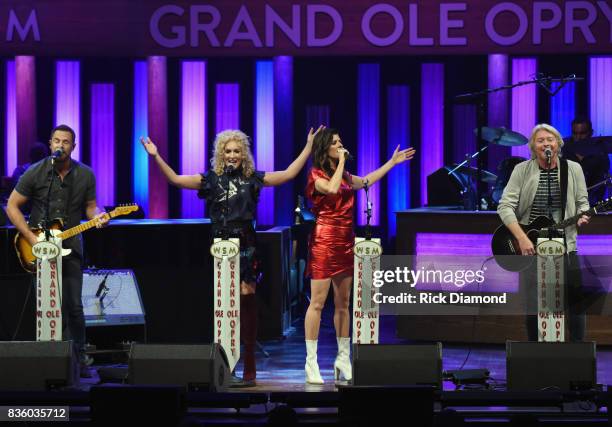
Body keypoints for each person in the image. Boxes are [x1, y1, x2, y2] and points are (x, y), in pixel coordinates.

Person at [141, 127, 321, 386]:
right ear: (221, 154)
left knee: (246, 296)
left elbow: (288, 174)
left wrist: (308, 147)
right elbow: (176, 180)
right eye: (228, 151)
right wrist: (156, 156)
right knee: (225, 301)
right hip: (219, 242)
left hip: (246, 241)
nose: (232, 155)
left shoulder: (252, 178)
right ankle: (226, 365)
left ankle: (249, 364)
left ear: (244, 154)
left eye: (237, 151)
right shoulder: (211, 180)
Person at [303, 128, 415, 384]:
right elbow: (331, 191)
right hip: (323, 240)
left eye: (341, 141)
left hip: (344, 240)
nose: (341, 145)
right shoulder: (316, 175)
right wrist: (342, 162)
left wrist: (392, 162)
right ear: (325, 149)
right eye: (335, 143)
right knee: (318, 303)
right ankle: (311, 362)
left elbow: (365, 181)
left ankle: (343, 358)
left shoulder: (344, 176)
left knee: (343, 304)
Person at [6, 124, 109, 376]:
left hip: (71, 245)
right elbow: (12, 206)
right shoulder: (36, 172)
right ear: (50, 144)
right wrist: (32, 239)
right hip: (39, 248)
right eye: (56, 141)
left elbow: (91, 208)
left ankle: (79, 356)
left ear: (73, 147)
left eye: (65, 142)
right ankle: (47, 358)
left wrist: (99, 216)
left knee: (74, 304)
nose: (60, 145)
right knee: (46, 305)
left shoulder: (85, 174)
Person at [497, 123, 590, 341]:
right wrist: (521, 238)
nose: (546, 143)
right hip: (531, 247)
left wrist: (583, 214)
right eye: (540, 140)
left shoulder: (573, 168)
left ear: (558, 144)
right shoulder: (522, 170)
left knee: (576, 304)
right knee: (534, 305)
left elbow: (582, 202)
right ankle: (536, 354)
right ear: (532, 146)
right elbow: (505, 206)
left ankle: (578, 354)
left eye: (550, 139)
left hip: (565, 245)